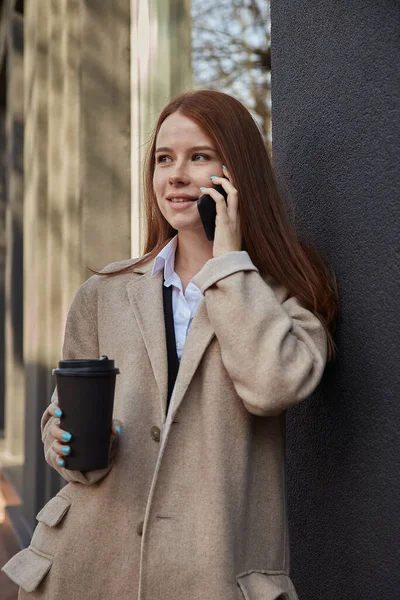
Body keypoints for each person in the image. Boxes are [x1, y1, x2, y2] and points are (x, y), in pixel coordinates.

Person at [3, 90, 338, 600]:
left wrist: (226, 264)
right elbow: (62, 417)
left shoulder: (290, 293)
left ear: (237, 174)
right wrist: (63, 440)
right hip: (88, 569)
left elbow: (272, 387)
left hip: (213, 576)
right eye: (164, 159)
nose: (175, 175)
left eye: (198, 157)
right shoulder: (103, 293)